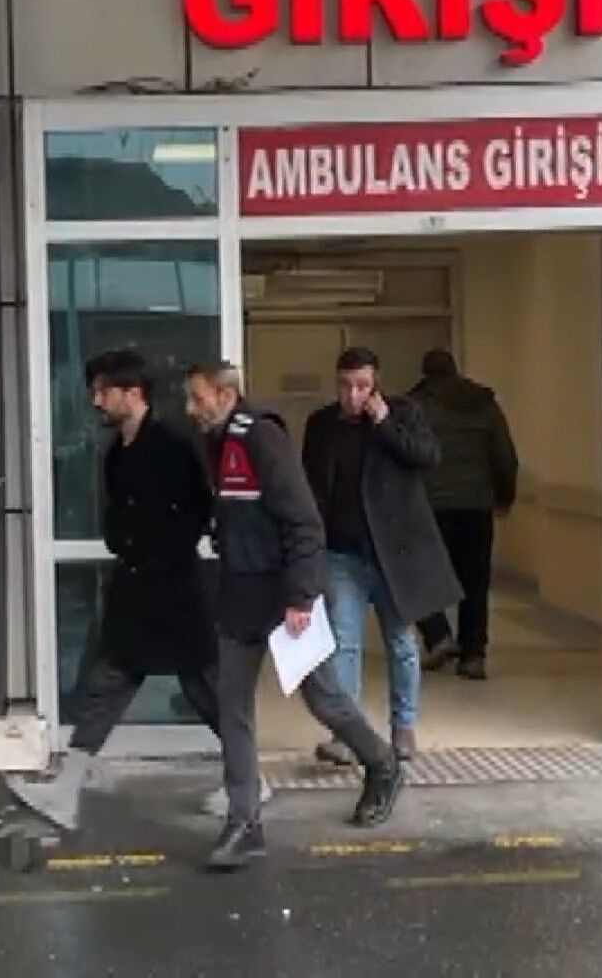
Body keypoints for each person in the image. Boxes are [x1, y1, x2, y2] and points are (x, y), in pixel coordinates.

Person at [185, 361, 403, 872]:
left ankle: (382, 763)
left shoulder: (261, 437)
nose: (191, 408)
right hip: (239, 595)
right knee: (233, 707)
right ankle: (244, 824)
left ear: (225, 395)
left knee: (324, 699)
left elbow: (304, 521)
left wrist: (302, 597)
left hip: (283, 596)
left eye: (198, 397)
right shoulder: (217, 442)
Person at [6, 349, 225, 831]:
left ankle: (249, 780)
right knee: (107, 682)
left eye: (103, 391)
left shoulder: (170, 446)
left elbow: (196, 512)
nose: (96, 400)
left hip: (175, 590)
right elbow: (120, 516)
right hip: (138, 587)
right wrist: (123, 542)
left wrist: (155, 551)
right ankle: (66, 790)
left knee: (205, 688)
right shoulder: (117, 453)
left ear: (133, 393)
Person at [301, 347, 464, 765]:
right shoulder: (321, 425)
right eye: (345, 386)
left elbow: (427, 457)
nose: (353, 396)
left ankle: (403, 727)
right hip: (342, 554)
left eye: (362, 386)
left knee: (401, 642)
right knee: (344, 644)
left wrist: (385, 423)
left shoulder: (402, 413)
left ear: (376, 385)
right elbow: (313, 487)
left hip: (394, 554)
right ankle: (348, 735)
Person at [410, 349, 519, 681]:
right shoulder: (484, 404)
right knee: (475, 581)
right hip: (475, 504)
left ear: (426, 373)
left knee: (419, 576)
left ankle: (438, 636)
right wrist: (504, 497)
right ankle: (473, 654)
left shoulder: (414, 406)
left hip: (429, 507)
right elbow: (504, 455)